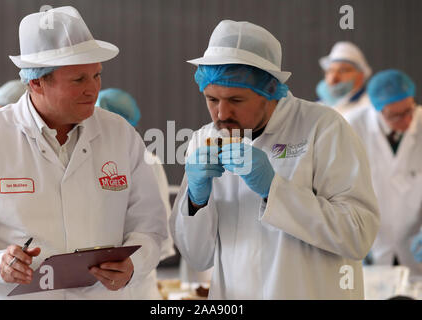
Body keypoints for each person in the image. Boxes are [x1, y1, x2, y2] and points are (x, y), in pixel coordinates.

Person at [169, 20, 380, 300]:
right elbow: (198, 258)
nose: (221, 114)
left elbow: (358, 235)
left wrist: (275, 191)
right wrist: (196, 202)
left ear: (270, 89)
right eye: (211, 99)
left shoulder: (323, 127)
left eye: (236, 100)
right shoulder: (203, 140)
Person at [0, 6, 167, 299]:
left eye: (96, 76)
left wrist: (133, 265)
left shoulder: (120, 134)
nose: (93, 89)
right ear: (36, 82)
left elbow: (150, 227)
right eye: (78, 80)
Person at [96, 88, 176, 299]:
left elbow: (158, 231)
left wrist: (135, 263)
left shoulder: (145, 161)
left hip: (136, 288)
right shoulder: (86, 161)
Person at [344, 69, 422, 279]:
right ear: (378, 109)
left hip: (416, 239)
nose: (407, 121)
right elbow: (338, 186)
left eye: (409, 110)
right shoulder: (352, 126)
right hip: (370, 240)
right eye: (396, 115)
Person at [316, 41, 372, 116]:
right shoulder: (317, 107)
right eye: (330, 71)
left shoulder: (370, 107)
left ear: (360, 75)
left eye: (343, 71)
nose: (333, 78)